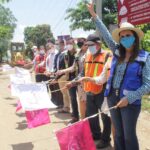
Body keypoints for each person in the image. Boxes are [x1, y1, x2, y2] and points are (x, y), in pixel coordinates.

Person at [87, 2, 150, 150]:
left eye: (128, 35)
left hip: (130, 102)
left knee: (129, 135)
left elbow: (147, 85)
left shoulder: (145, 57)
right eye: (122, 37)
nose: (125, 39)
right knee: (118, 135)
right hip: (112, 98)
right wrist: (94, 15)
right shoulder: (117, 52)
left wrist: (129, 98)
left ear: (134, 37)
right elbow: (106, 34)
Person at [77, 34, 111, 148]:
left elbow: (108, 75)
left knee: (105, 117)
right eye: (87, 45)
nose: (89, 47)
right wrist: (75, 81)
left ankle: (106, 139)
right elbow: (83, 73)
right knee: (92, 116)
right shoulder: (87, 55)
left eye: (91, 45)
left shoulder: (107, 55)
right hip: (89, 90)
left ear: (98, 44)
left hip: (102, 91)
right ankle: (96, 135)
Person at [57, 37, 88, 120]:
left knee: (84, 100)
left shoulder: (84, 53)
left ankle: (86, 119)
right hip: (71, 79)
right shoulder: (68, 54)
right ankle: (76, 117)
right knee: (73, 98)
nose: (68, 45)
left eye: (70, 43)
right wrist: (62, 71)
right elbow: (72, 67)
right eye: (67, 44)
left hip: (83, 79)